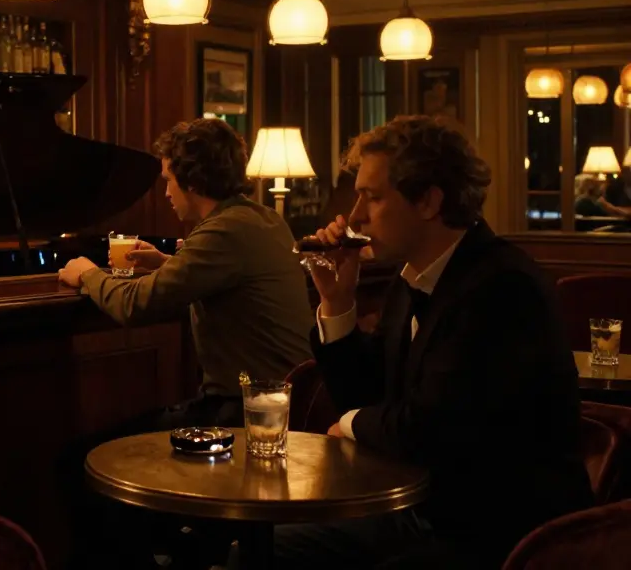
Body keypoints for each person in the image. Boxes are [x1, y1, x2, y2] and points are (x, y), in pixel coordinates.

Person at [284, 115, 592, 568]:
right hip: (424, 511)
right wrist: (337, 302)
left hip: (503, 534)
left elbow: (429, 430)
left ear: (428, 201)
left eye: (372, 196)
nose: (354, 217)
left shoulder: (502, 286)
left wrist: (349, 424)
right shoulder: (414, 277)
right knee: (264, 548)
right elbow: (368, 397)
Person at [57, 118, 313, 569]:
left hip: (236, 417)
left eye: (169, 180)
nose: (166, 192)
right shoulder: (261, 219)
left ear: (192, 181)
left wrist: (87, 274)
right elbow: (224, 277)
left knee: (84, 464)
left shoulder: (223, 231)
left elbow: (136, 305)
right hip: (279, 409)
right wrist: (170, 262)